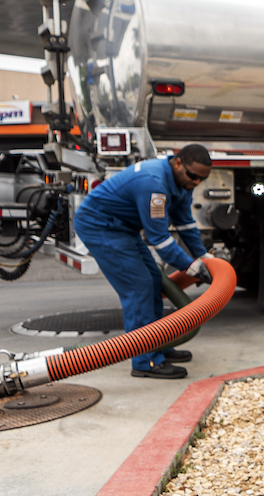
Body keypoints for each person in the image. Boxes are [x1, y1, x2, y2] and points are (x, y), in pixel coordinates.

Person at [73, 144, 215, 379]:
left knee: (153, 282)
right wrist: (191, 268)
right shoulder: (154, 184)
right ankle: (145, 361)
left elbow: (185, 223)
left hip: (124, 228)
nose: (197, 182)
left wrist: (203, 256)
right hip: (101, 227)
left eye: (202, 179)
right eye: (193, 176)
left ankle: (158, 346)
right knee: (138, 287)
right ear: (177, 163)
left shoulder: (182, 180)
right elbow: (159, 239)